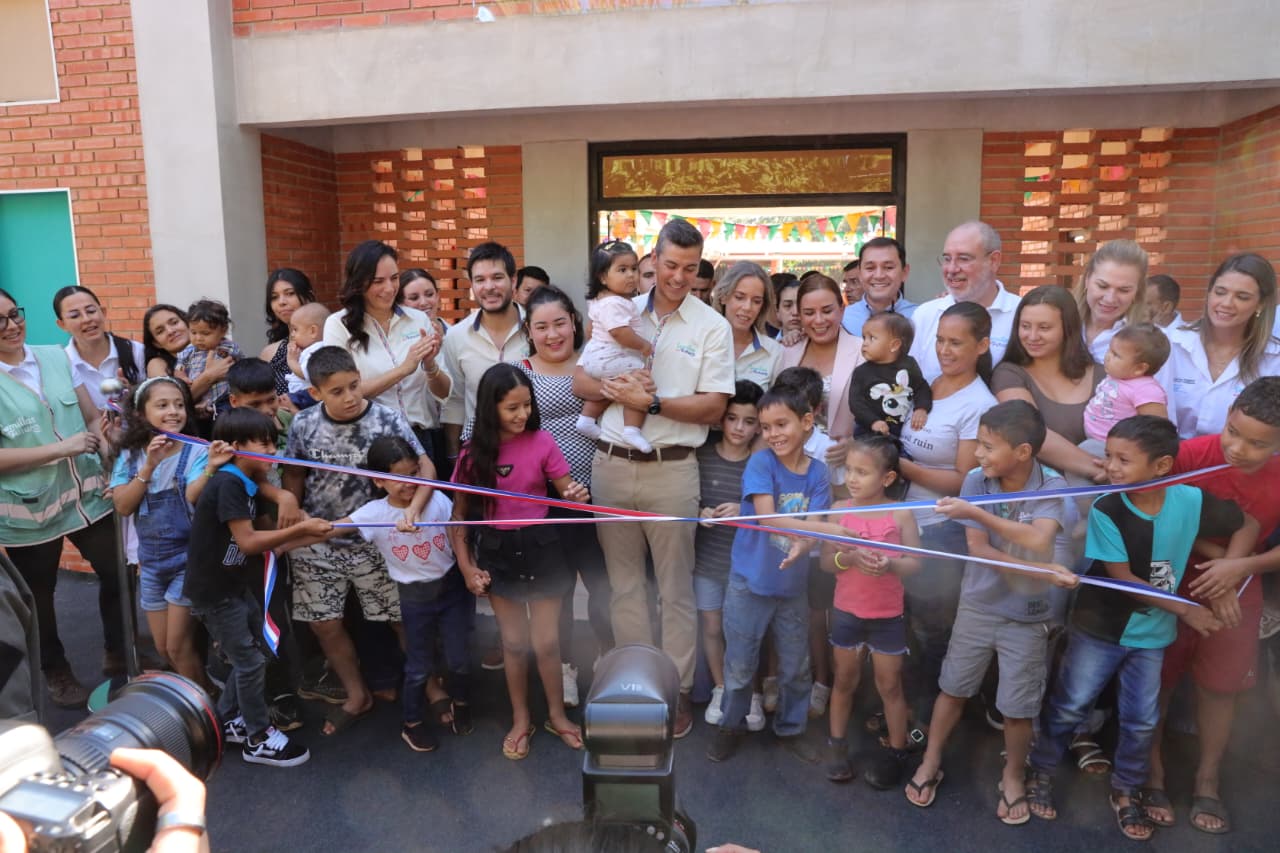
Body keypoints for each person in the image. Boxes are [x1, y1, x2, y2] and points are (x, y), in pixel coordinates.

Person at [1027, 415, 1253, 841]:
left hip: (1152, 635)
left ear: (1162, 466)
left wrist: (1231, 570)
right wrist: (1188, 610)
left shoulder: (1190, 499)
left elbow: (1248, 524)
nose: (1110, 467)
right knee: (1071, 704)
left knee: (1142, 720)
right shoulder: (1108, 507)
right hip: (1100, 628)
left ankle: (1127, 788)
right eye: (1109, 456)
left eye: (1123, 459)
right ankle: (1041, 770)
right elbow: (1122, 578)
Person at [573, 218, 735, 738]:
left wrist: (654, 402)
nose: (678, 277)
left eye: (690, 268)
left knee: (674, 590)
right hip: (611, 466)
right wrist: (618, 394)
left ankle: (678, 689)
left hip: (672, 470)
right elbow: (580, 378)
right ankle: (634, 686)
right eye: (669, 265)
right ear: (652, 262)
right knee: (623, 589)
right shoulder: (618, 308)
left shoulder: (711, 326)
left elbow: (714, 408)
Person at [904, 401, 1078, 824]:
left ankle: (1013, 775)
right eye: (978, 445)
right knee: (954, 689)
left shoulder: (1050, 486)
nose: (977, 455)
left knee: (1018, 709)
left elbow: (1038, 540)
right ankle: (930, 761)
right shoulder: (975, 482)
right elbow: (979, 550)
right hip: (978, 606)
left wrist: (978, 516)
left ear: (1022, 452)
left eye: (987, 446)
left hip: (1029, 615)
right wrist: (1039, 569)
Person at [1146, 377, 1280, 834]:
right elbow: (1149, 510)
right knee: (1156, 677)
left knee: (1220, 686)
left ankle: (1208, 778)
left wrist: (1237, 570)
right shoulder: (1189, 455)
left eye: (1258, 444)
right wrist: (1222, 561)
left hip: (1241, 582)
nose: (1238, 448)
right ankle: (1153, 771)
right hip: (1174, 569)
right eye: (1233, 431)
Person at [282, 346, 435, 736]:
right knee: (325, 623)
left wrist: (413, 508)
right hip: (319, 539)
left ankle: (432, 687)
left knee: (401, 620)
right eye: (337, 391)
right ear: (316, 393)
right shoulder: (302, 425)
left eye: (354, 386)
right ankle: (356, 694)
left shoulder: (386, 418)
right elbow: (295, 476)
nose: (350, 397)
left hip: (379, 539)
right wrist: (293, 518)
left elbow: (424, 466)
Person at [450, 364, 590, 759]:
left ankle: (558, 716)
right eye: (512, 407)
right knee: (514, 643)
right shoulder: (471, 455)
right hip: (496, 551)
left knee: (546, 644)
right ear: (490, 408)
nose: (522, 414)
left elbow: (565, 490)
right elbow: (458, 517)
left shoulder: (543, 441)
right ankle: (520, 719)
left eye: (527, 405)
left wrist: (576, 493)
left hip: (543, 547)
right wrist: (466, 566)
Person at [185, 407, 330, 767]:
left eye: (272, 441)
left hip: (233, 587)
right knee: (249, 662)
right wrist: (300, 529)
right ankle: (258, 737)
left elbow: (267, 543)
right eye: (263, 443)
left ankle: (230, 717)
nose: (272, 450)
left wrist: (314, 531)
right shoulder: (229, 483)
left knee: (255, 654)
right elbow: (249, 543)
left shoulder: (245, 481)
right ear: (236, 446)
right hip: (215, 594)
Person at [0, 288, 123, 708]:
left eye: (14, 314)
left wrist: (108, 453)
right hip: (30, 513)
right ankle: (56, 671)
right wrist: (61, 449)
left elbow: (90, 416)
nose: (12, 326)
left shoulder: (54, 356)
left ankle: (119, 653)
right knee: (40, 597)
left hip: (88, 496)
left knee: (118, 572)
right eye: (0, 321)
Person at [705, 387, 831, 765]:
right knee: (740, 666)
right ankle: (731, 725)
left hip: (791, 588)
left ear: (807, 422)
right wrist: (812, 534)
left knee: (795, 667)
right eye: (767, 427)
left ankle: (791, 729)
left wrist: (805, 544)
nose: (773, 434)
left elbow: (815, 526)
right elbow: (767, 517)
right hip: (748, 584)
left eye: (782, 424)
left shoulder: (820, 473)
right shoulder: (760, 464)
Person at [338, 436, 473, 753]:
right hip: (415, 597)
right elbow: (331, 528)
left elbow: (459, 535)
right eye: (398, 478)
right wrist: (289, 536)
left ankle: (463, 703)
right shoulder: (374, 513)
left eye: (413, 474)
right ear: (378, 480)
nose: (409, 483)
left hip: (451, 588)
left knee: (459, 657)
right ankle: (411, 723)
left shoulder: (437, 500)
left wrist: (471, 569)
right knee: (418, 665)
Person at [897, 302, 995, 725]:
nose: (945, 350)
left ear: (982, 345)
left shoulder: (979, 403)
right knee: (905, 625)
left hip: (941, 529)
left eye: (956, 342)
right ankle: (902, 711)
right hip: (905, 523)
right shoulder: (931, 384)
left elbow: (963, 481)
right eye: (940, 340)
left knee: (932, 629)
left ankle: (930, 719)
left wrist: (897, 465)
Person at [516, 285, 614, 705]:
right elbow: (484, 429)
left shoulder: (598, 362)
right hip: (545, 502)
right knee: (556, 593)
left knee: (604, 587)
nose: (553, 334)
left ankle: (610, 661)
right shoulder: (518, 371)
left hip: (599, 495)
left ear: (574, 322)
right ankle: (567, 669)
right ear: (530, 331)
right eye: (541, 327)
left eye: (560, 323)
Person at [817, 436, 921, 789]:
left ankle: (896, 752)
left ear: (888, 478)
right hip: (847, 611)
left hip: (887, 616)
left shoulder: (901, 513)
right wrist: (848, 558)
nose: (852, 478)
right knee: (844, 680)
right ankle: (836, 744)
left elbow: (915, 562)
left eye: (862, 472)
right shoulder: (838, 510)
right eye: (849, 470)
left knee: (890, 685)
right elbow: (826, 562)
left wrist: (890, 564)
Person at [109, 376, 206, 688]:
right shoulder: (130, 456)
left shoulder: (196, 452)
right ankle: (207, 696)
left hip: (187, 561)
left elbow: (194, 495)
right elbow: (123, 505)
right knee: (164, 648)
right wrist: (148, 466)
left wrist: (214, 467)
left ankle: (207, 707)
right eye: (162, 405)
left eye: (179, 405)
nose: (173, 412)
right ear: (141, 414)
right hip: (150, 565)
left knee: (179, 646)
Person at [324, 240, 452, 472]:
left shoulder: (418, 320)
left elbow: (443, 393)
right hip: (370, 441)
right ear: (358, 282)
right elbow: (343, 393)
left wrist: (431, 365)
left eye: (394, 278)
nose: (389, 288)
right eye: (378, 281)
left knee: (424, 507)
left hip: (421, 438)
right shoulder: (338, 325)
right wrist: (404, 368)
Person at [1158, 252, 1280, 439]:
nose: (1226, 303)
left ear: (1260, 304)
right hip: (1167, 458)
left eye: (1242, 297)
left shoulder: (1274, 360)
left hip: (1236, 464)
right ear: (1209, 293)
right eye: (1220, 292)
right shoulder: (1170, 343)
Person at [696, 380, 762, 726]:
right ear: (721, 419)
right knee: (710, 625)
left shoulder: (762, 463)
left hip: (746, 566)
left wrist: (744, 510)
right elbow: (689, 500)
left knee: (744, 630)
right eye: (732, 418)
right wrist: (701, 514)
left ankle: (746, 690)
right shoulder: (702, 453)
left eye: (749, 421)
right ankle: (721, 687)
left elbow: (771, 512)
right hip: (706, 560)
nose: (739, 428)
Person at [993, 284, 1106, 484]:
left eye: (1044, 327)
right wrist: (1099, 469)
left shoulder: (1102, 375)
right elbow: (1029, 432)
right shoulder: (1008, 374)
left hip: (1103, 497)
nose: (1032, 336)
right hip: (1042, 497)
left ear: (1068, 329)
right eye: (1025, 326)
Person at [440, 241, 530, 457]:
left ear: (513, 280)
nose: (489, 287)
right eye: (480, 280)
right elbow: (455, 402)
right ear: (471, 285)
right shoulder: (456, 336)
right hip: (479, 455)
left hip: (534, 454)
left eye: (497, 277)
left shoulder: (536, 329)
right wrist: (454, 458)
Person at [909, 221, 1022, 381]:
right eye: (947, 259)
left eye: (963, 259)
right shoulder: (925, 316)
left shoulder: (1022, 316)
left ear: (994, 261)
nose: (952, 269)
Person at [574, 240, 654, 451]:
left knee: (614, 384)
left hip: (598, 356)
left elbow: (591, 331)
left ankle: (587, 418)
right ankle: (631, 430)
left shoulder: (603, 300)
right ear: (602, 276)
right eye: (622, 270)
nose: (631, 275)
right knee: (639, 378)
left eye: (634, 269)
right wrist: (643, 345)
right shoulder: (614, 303)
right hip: (606, 357)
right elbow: (619, 332)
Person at [778, 274, 864, 464]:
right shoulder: (786, 351)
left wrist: (858, 443)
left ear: (842, 310)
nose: (819, 320)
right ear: (799, 316)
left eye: (827, 311)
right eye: (809, 313)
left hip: (845, 468)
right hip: (791, 466)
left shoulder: (863, 352)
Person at [53, 285, 145, 408]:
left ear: (103, 312)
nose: (86, 319)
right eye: (75, 316)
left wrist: (134, 393)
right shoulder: (62, 365)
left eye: (91, 311)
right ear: (62, 324)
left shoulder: (136, 351)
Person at [1081, 322, 1170, 449]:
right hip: (1095, 437)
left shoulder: (1146, 390)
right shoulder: (1118, 375)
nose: (1107, 357)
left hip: (1111, 447)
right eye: (1109, 350)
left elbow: (1157, 427)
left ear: (1139, 368)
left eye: (1116, 355)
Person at [848, 311, 931, 442]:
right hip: (869, 431)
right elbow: (856, 403)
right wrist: (873, 422)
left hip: (902, 431)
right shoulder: (861, 372)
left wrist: (921, 408)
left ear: (894, 345)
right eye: (864, 337)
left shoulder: (908, 365)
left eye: (872, 338)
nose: (865, 343)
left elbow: (921, 387)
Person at [1075, 239, 1149, 363]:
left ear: (1138, 291)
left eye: (1123, 290)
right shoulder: (1059, 326)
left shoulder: (1149, 343)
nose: (1110, 298)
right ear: (1087, 280)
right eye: (1102, 286)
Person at [175, 299, 243, 433]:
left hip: (223, 399)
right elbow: (179, 367)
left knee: (225, 426)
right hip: (199, 397)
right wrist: (182, 377)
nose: (198, 338)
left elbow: (239, 364)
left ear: (223, 331)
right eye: (193, 332)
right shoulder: (189, 350)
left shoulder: (228, 347)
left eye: (205, 333)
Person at [713, 261, 780, 390]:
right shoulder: (703, 342)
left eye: (756, 301)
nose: (747, 307)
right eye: (739, 297)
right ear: (723, 297)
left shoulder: (774, 352)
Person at [839, 237, 917, 335]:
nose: (879, 276)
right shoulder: (843, 319)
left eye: (888, 267)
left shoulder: (920, 317)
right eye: (870, 268)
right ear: (860, 273)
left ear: (904, 272)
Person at [258, 268, 316, 397]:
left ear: (309, 296)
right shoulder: (269, 353)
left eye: (290, 293)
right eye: (274, 297)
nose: (282, 302)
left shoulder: (329, 342)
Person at [284, 302, 329, 411]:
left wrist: (291, 361)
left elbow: (307, 373)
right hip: (303, 394)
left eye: (295, 329)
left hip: (307, 395)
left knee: (281, 403)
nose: (292, 335)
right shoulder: (309, 349)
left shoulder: (317, 350)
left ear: (313, 331)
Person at [398, 268, 451, 338]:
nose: (423, 302)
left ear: (437, 296)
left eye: (429, 294)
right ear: (401, 304)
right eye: (414, 298)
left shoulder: (456, 333)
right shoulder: (397, 338)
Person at [142, 304, 191, 378]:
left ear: (186, 322)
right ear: (156, 343)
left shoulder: (211, 349)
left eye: (174, 322)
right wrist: (209, 376)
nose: (170, 331)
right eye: (160, 331)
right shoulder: (157, 365)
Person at [771, 272, 800, 340]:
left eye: (800, 305)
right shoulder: (766, 348)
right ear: (777, 311)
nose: (795, 312)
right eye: (787, 305)